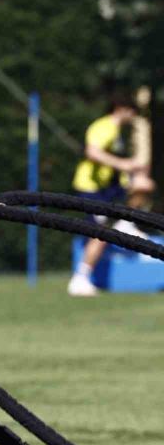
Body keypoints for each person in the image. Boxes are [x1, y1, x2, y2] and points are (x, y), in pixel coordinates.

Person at [67, 94, 151, 297]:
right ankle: (80, 278)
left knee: (144, 185)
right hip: (92, 189)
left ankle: (125, 222)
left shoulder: (117, 131)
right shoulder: (104, 126)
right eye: (132, 111)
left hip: (108, 188)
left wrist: (130, 173)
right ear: (121, 108)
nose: (133, 116)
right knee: (100, 234)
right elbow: (92, 152)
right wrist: (123, 164)